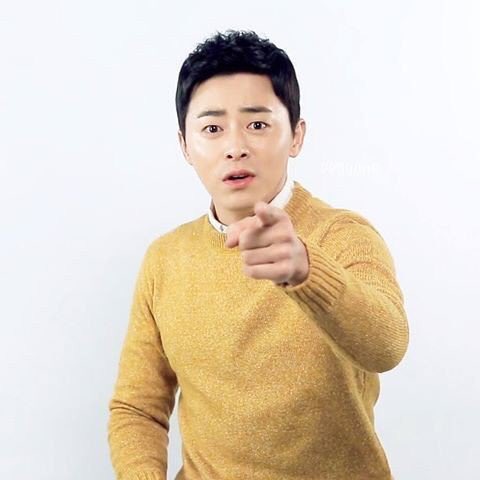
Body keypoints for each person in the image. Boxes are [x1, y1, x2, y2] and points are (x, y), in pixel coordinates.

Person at [107, 29, 409, 480]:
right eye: (212, 128)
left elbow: (387, 346)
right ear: (185, 145)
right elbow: (137, 408)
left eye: (258, 124)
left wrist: (307, 272)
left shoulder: (343, 235)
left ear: (297, 136)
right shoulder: (165, 259)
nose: (235, 147)